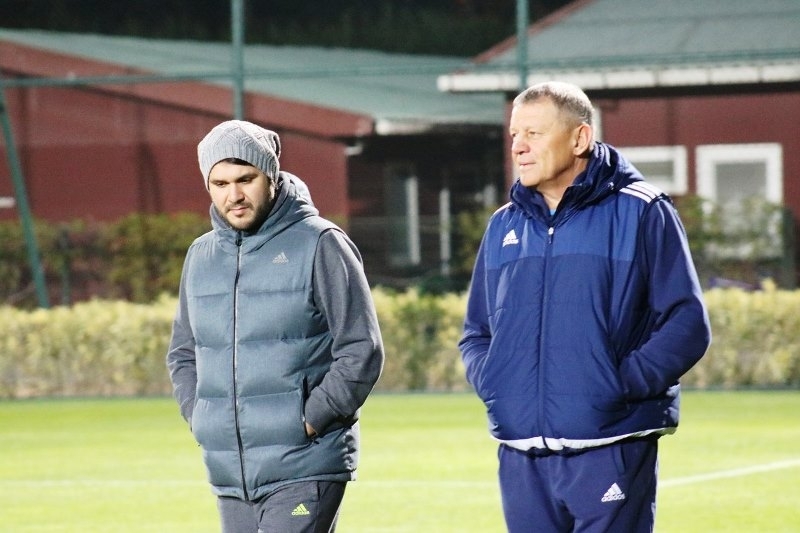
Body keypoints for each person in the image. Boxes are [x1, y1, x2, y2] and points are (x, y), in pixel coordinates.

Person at [459, 81, 711, 532]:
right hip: (520, 453)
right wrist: (497, 384)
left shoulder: (642, 210)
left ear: (580, 138)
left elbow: (686, 323)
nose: (518, 147)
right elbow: (477, 332)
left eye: (533, 133)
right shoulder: (503, 225)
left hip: (610, 444)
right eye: (514, 134)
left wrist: (616, 385)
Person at [166, 120, 384, 533]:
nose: (233, 195)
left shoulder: (320, 242)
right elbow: (183, 352)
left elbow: (362, 348)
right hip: (231, 473)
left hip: (305, 462)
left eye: (245, 179)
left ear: (271, 175)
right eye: (220, 183)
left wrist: (309, 418)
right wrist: (202, 417)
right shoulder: (201, 256)